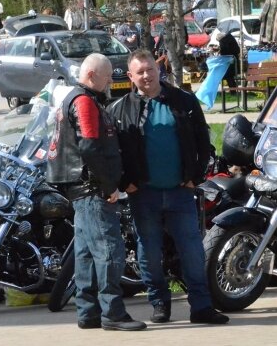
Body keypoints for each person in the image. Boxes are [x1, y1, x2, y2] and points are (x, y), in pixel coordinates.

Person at [108, 50, 229, 325]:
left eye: (150, 69)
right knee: (149, 252)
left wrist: (194, 178)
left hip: (180, 192)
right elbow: (112, 152)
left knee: (192, 251)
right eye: (140, 72)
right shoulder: (119, 109)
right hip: (144, 194)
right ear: (131, 76)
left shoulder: (183, 102)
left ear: (158, 69)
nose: (147, 76)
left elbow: (203, 142)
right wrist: (125, 182)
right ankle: (160, 304)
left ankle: (201, 306)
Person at [46, 54, 147, 331]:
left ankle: (87, 312)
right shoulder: (85, 102)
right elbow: (89, 146)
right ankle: (113, 313)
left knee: (87, 253)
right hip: (92, 189)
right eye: (106, 77)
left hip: (80, 188)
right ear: (92, 75)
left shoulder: (72, 99)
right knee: (109, 250)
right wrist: (109, 185)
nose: (110, 83)